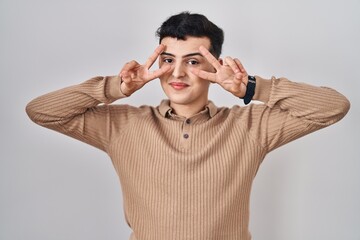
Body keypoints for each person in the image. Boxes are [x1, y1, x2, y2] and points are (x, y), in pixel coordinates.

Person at [26, 11, 350, 240]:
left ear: (215, 65)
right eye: (168, 61)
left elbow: (333, 107)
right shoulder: (124, 125)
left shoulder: (250, 126)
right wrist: (115, 88)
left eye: (193, 61)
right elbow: (41, 111)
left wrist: (250, 88)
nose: (177, 74)